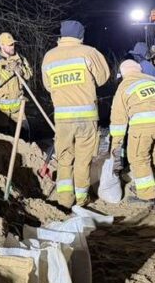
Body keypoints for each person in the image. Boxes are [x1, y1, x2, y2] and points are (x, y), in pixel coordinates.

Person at [41, 20, 111, 207]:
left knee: (64, 159)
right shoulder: (89, 52)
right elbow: (103, 78)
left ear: (62, 35)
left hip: (63, 120)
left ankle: (64, 200)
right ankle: (82, 199)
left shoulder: (49, 57)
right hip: (86, 118)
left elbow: (48, 85)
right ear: (81, 35)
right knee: (83, 160)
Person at [109, 60, 155, 204]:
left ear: (123, 73)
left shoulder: (124, 85)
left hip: (144, 124)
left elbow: (118, 120)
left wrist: (116, 144)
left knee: (139, 158)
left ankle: (146, 196)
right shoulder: (153, 80)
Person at [0, 32, 33, 130]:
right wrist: (10, 71)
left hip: (18, 108)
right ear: (1, 45)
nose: (13, 47)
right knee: (3, 140)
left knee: (25, 133)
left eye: (13, 44)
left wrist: (20, 70)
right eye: (10, 45)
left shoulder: (20, 58)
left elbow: (29, 75)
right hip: (1, 111)